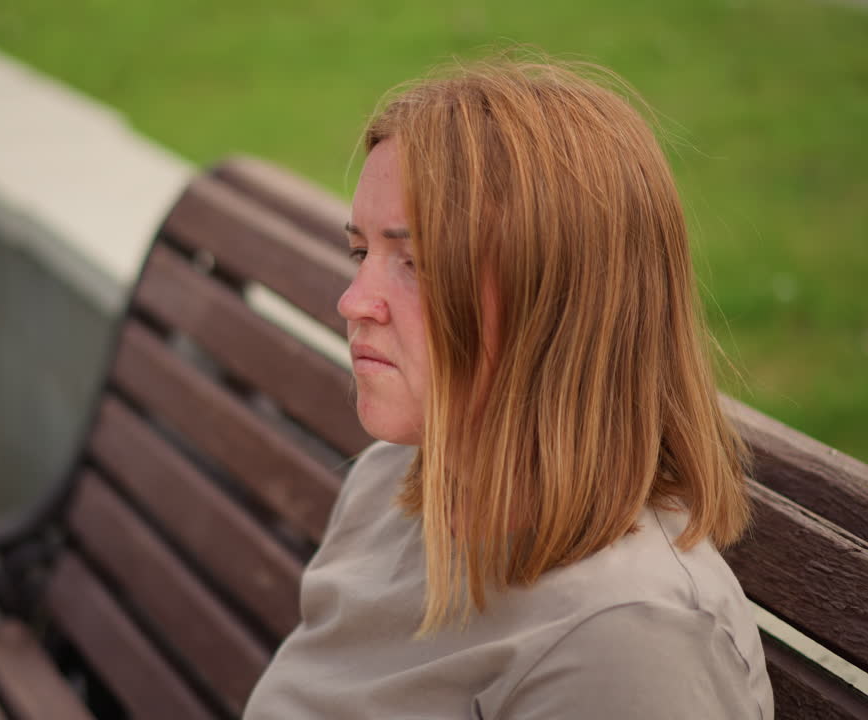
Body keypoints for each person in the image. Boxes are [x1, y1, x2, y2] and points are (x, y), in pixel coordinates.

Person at [244, 56, 773, 719]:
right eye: (361, 253)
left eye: (416, 263)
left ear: (555, 304)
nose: (355, 302)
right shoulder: (392, 486)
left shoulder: (632, 645)